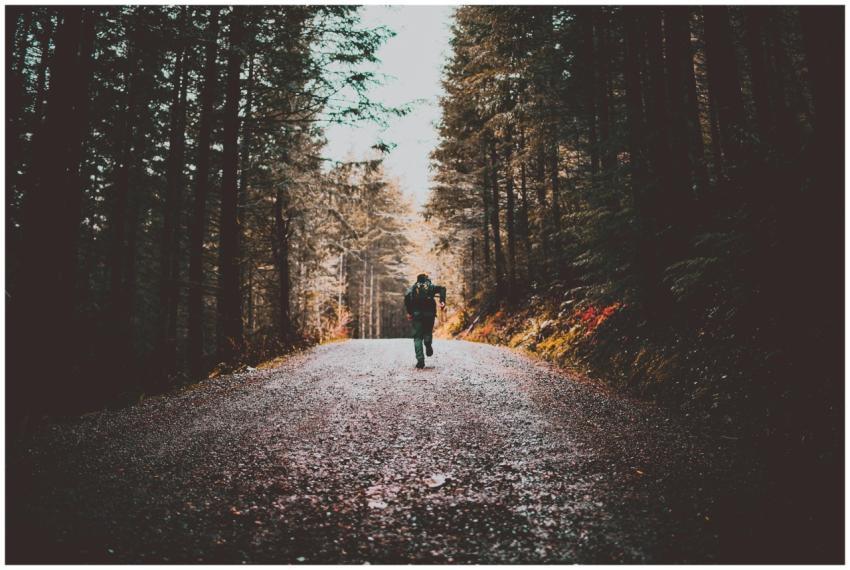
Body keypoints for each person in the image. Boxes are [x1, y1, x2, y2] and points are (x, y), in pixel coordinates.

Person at [403, 273, 447, 369]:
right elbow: (442, 288)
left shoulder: (413, 288)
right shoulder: (430, 287)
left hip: (417, 315)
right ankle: (427, 343)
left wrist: (410, 312)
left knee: (417, 337)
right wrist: (442, 301)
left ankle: (420, 361)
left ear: (417, 280)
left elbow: (406, 298)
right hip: (429, 315)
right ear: (427, 279)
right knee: (427, 331)